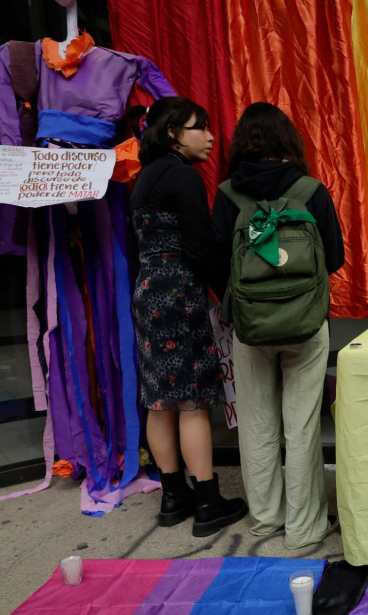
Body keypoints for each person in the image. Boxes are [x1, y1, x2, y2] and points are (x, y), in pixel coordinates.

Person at [212, 102, 344, 549]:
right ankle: (305, 527)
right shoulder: (311, 191)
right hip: (306, 325)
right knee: (302, 424)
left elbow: (217, 262)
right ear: (288, 141)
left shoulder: (228, 194)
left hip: (249, 328)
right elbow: (336, 257)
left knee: (256, 423)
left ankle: (266, 518)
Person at [131, 96, 247, 537]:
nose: (211, 136)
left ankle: (172, 496)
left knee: (159, 400)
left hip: (146, 291)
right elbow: (201, 245)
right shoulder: (183, 178)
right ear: (173, 133)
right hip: (179, 292)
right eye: (201, 127)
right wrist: (227, 293)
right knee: (193, 401)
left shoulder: (143, 179)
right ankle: (207, 500)